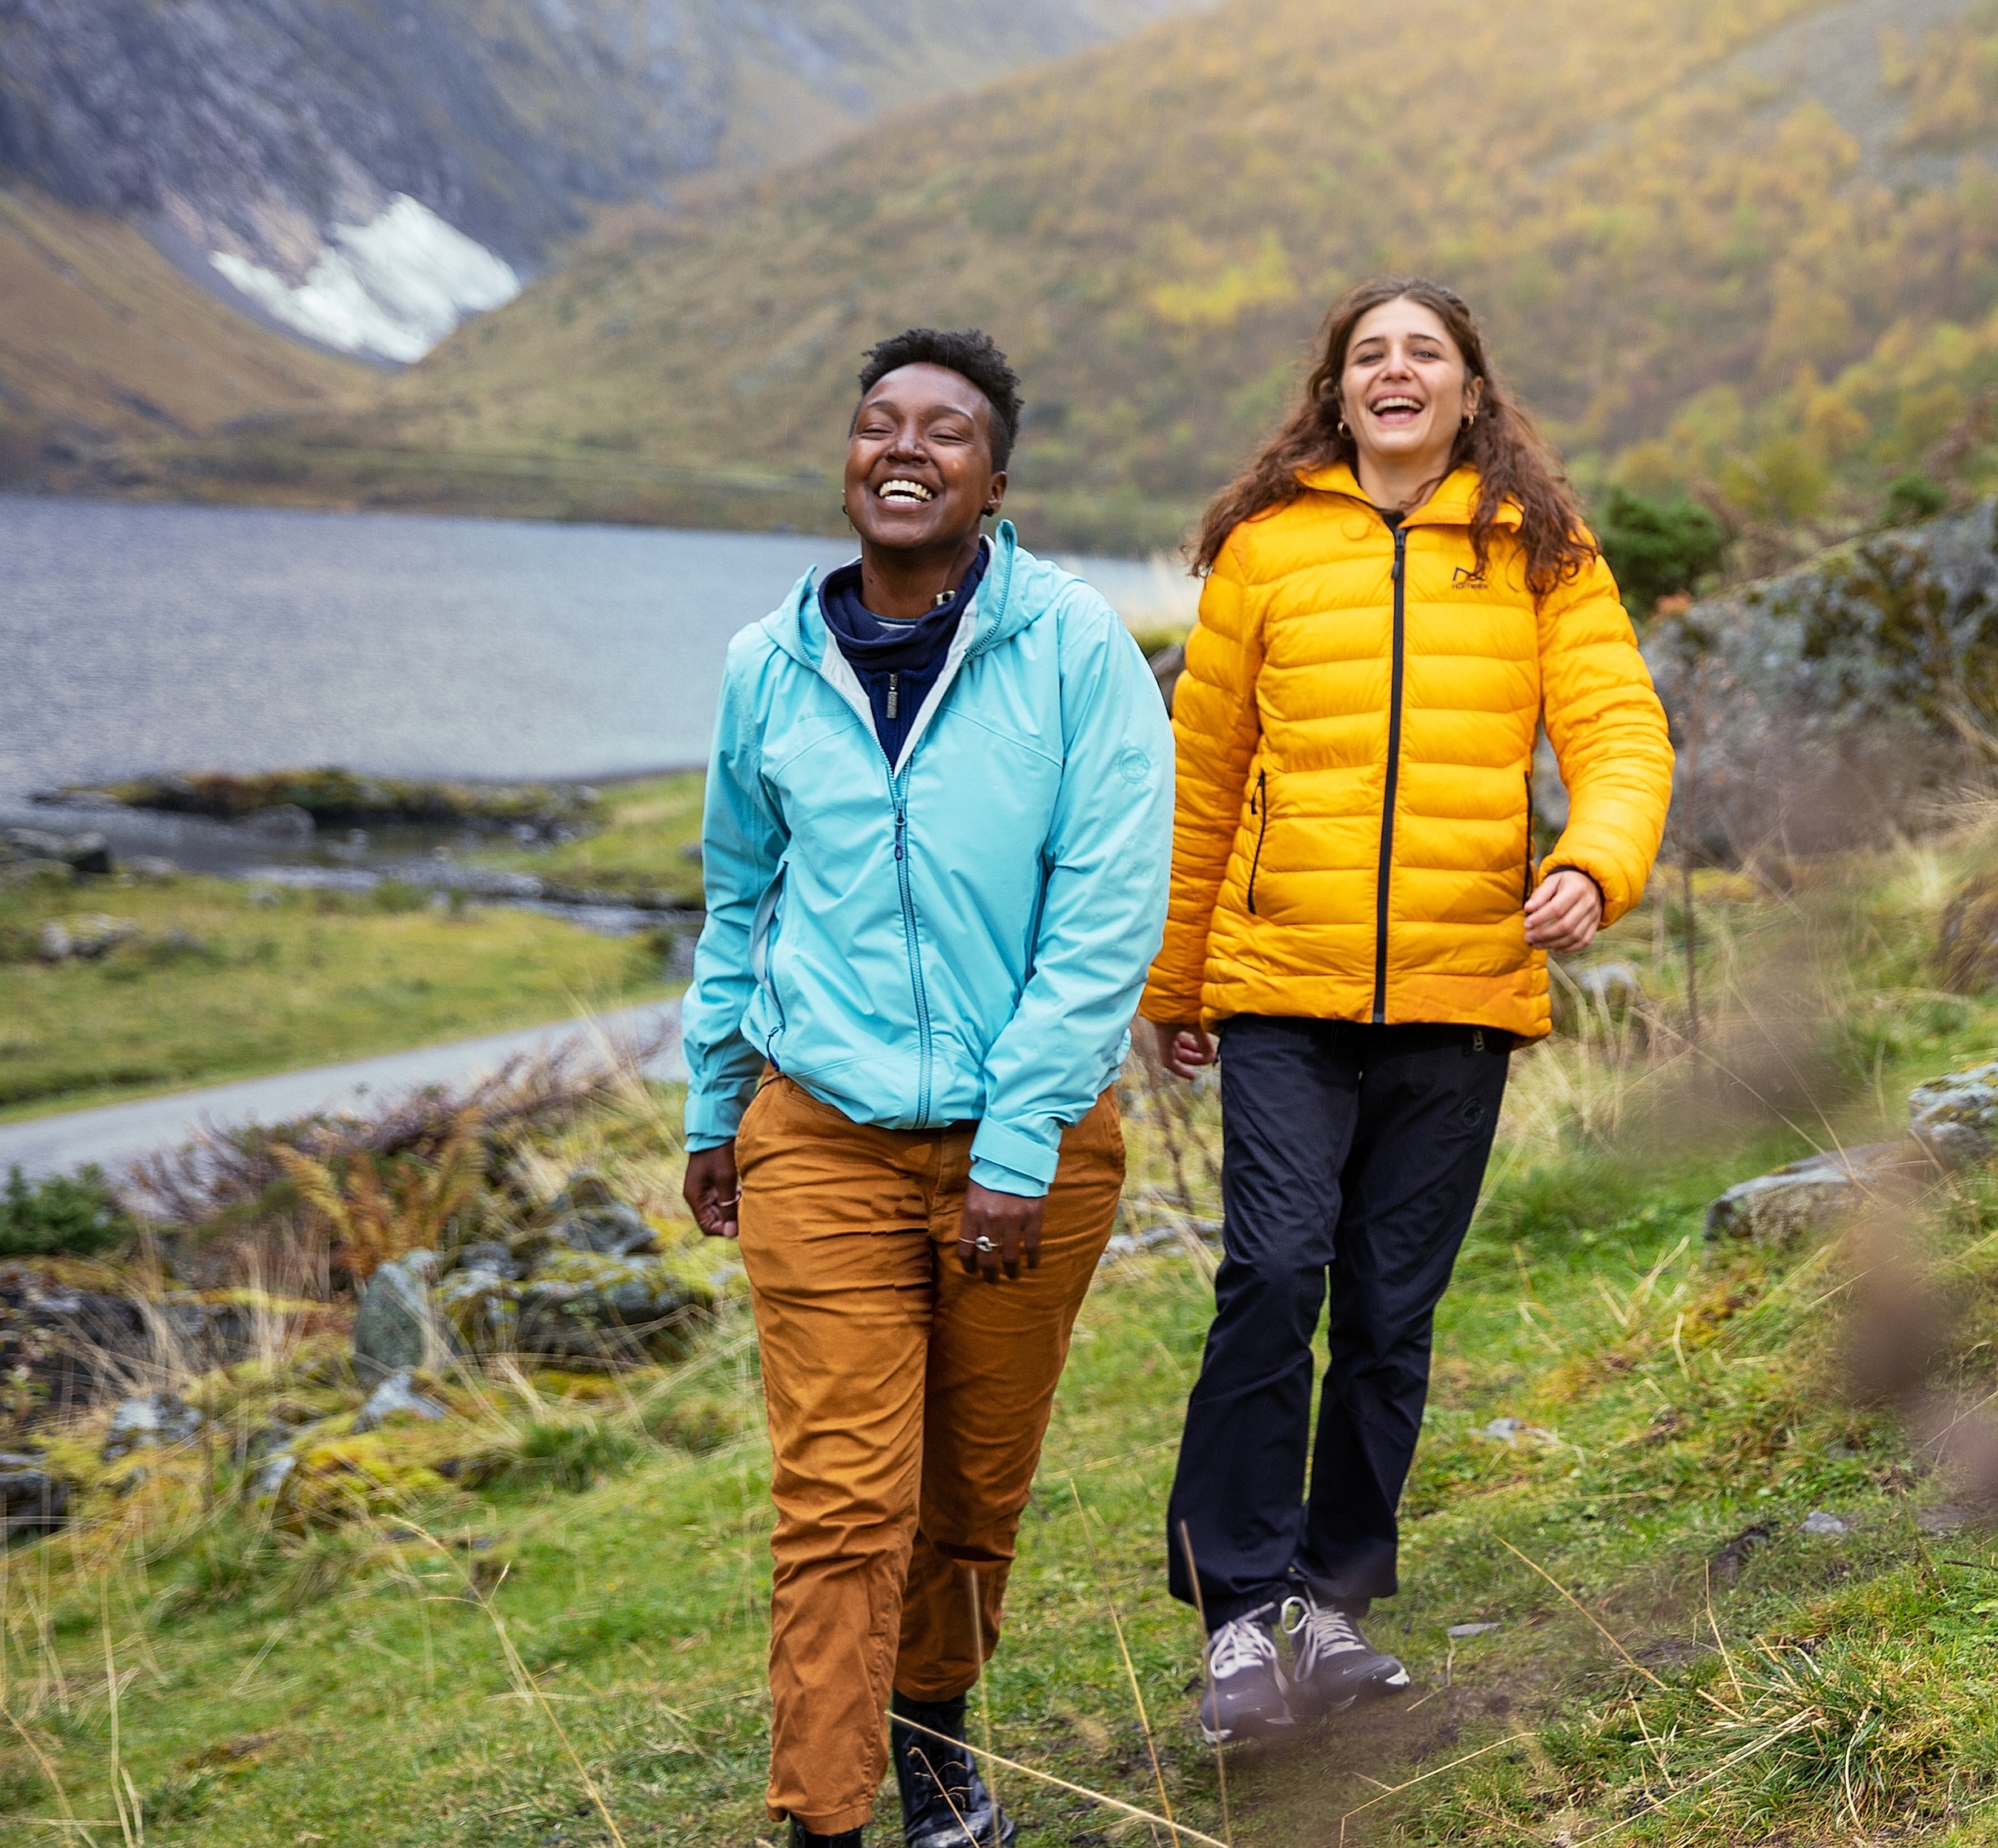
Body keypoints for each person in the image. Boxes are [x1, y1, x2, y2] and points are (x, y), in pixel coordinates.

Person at [1145, 277, 1674, 1745]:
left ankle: (1333, 1599)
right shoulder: (1264, 550)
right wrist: (1175, 976)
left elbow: (1621, 730)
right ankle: (1241, 1617)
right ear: (1336, 390)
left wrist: (1593, 860)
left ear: (1468, 390)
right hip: (1281, 990)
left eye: (1422, 352)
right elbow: (1201, 781)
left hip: (1459, 989)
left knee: (1389, 1312)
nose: (1395, 371)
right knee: (1270, 1273)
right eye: (1368, 352)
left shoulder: (1542, 554)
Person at [685, 326, 1173, 1848]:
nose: (904, 447)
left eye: (944, 430)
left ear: (996, 478)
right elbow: (734, 901)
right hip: (817, 1136)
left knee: (969, 1497)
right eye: (876, 422)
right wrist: (716, 1106)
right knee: (840, 1499)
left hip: (1028, 1153)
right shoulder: (764, 667)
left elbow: (1105, 913)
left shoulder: (1077, 647)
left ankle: (933, 1730)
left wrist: (1017, 1141)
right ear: (848, 459)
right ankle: (825, 1816)